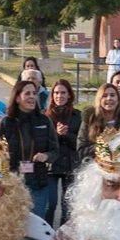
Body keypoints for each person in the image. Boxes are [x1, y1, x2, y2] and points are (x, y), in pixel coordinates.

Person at [0, 78, 56, 225]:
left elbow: (55, 151)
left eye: (34, 93)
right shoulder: (6, 123)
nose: (32, 97)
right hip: (12, 184)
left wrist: (46, 156)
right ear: (17, 98)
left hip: (37, 184)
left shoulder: (44, 121)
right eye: (27, 93)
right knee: (12, 227)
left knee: (35, 226)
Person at [46, 78, 82, 225]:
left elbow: (81, 141)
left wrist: (67, 135)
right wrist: (56, 133)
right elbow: (42, 141)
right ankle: (46, 235)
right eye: (56, 93)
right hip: (51, 166)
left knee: (67, 205)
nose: (59, 96)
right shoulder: (45, 116)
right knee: (51, 204)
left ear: (69, 95)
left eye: (62, 93)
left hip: (70, 164)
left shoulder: (77, 116)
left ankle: (63, 235)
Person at [76, 82, 120, 165]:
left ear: (118, 99)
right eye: (104, 96)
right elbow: (81, 151)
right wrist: (102, 146)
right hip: (95, 168)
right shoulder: (90, 119)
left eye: (112, 95)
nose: (109, 98)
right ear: (99, 99)